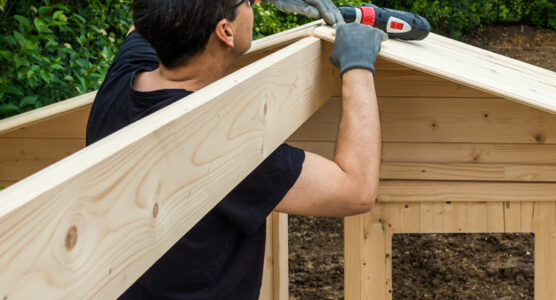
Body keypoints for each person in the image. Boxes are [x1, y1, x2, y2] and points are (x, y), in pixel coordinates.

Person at [84, 0, 387, 298]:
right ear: (225, 31)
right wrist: (358, 63)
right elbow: (355, 189)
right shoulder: (215, 142)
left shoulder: (125, 75)